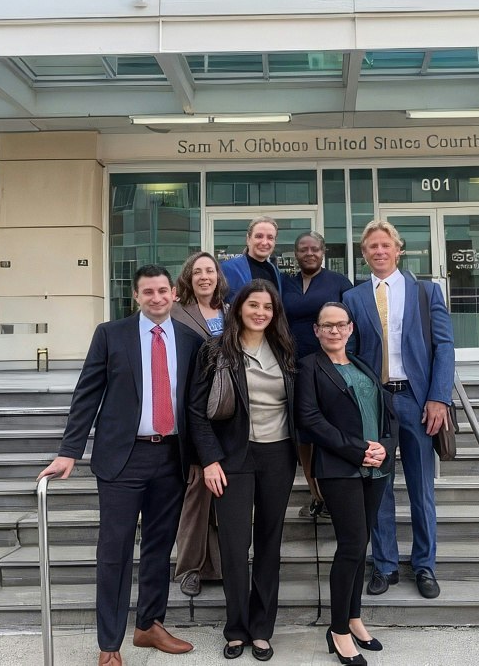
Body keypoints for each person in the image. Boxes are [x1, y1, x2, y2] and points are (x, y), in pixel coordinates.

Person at [37, 265, 203, 666]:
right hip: (123, 458)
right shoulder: (111, 335)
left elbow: (195, 405)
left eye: (162, 290)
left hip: (171, 457)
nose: (156, 298)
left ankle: (149, 625)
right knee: (115, 550)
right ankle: (109, 643)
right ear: (136, 297)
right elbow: (87, 394)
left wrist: (205, 457)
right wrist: (69, 451)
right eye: (148, 292)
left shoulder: (190, 340)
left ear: (174, 294)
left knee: (159, 546)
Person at [343, 220, 455, 601]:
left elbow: (444, 346)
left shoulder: (426, 291)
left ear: (398, 249)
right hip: (375, 402)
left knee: (422, 488)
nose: (379, 251)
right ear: (364, 254)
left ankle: (424, 565)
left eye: (385, 245)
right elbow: (349, 353)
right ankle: (385, 564)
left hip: (417, 400)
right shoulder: (353, 297)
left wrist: (439, 397)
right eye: (372, 246)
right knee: (379, 486)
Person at [188, 279, 297, 661]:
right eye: (254, 305)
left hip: (278, 455)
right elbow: (196, 411)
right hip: (233, 457)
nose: (260, 312)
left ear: (275, 312)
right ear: (238, 308)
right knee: (235, 546)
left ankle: (262, 628)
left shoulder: (285, 349)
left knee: (269, 543)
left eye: (267, 307)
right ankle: (236, 629)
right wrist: (209, 460)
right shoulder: (216, 350)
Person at [296, 301, 397, 666]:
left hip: (376, 467)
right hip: (339, 468)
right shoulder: (309, 367)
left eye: (341, 324)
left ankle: (354, 618)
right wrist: (357, 451)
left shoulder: (361, 364)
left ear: (351, 329)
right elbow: (310, 419)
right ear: (317, 331)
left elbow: (386, 412)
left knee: (361, 543)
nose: (335, 330)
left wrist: (385, 447)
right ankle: (338, 630)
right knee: (351, 545)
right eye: (327, 325)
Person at [280, 231, 354, 516]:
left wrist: (347, 363)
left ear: (323, 252)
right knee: (303, 433)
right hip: (292, 369)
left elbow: (351, 325)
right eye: (303, 249)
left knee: (330, 428)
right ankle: (316, 495)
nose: (309, 253)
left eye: (314, 249)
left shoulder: (339, 283)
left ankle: (334, 495)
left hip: (329, 369)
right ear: (295, 254)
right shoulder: (285, 283)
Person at [170, 251, 229, 597]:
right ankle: (190, 568)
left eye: (210, 270)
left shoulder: (230, 311)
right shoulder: (177, 312)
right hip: (191, 412)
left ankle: (218, 565)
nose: (204, 277)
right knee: (197, 497)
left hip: (227, 414)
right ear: (188, 279)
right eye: (197, 272)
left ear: (218, 276)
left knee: (222, 495)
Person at [220, 217, 282, 302]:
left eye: (270, 237)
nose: (264, 242)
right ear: (248, 239)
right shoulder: (227, 269)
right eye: (259, 236)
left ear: (275, 242)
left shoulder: (274, 270)